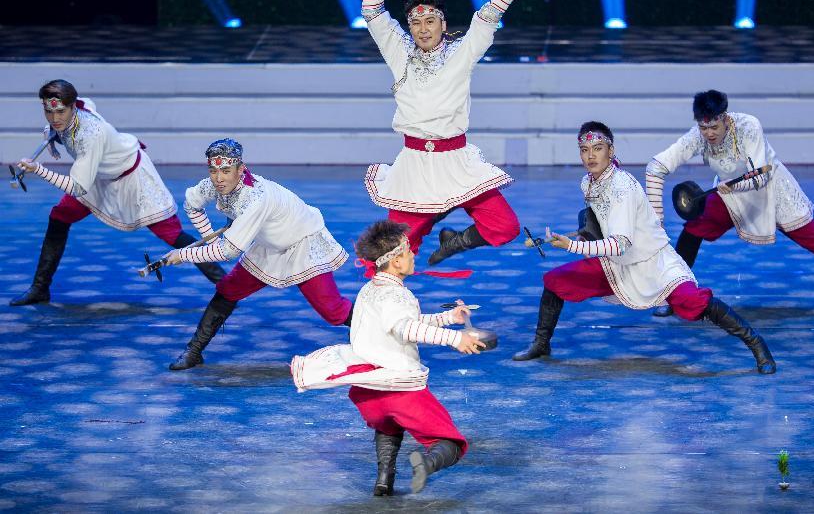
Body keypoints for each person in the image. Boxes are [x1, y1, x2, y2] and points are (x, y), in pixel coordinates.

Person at [512, 121, 776, 375]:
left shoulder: (622, 187)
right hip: (616, 265)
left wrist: (572, 246)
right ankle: (541, 343)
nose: (590, 156)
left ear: (611, 151)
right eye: (584, 150)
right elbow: (602, 226)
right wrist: (585, 237)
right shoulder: (588, 182)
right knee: (555, 281)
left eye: (597, 148)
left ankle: (757, 345)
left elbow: (620, 243)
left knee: (692, 301)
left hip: (652, 262)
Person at [360, 0, 547, 265]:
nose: (423, 28)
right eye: (416, 23)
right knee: (391, 254)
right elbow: (372, 12)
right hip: (415, 167)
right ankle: (379, 310)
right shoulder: (399, 52)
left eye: (430, 21)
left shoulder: (462, 52)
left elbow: (492, 11)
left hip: (457, 163)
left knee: (505, 227)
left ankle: (455, 239)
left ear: (443, 24)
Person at [646, 90, 814, 317]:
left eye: (714, 126)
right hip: (731, 195)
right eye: (703, 127)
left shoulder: (748, 126)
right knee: (692, 231)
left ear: (725, 119)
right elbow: (657, 166)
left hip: (772, 191)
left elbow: (760, 175)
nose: (709, 133)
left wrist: (732, 185)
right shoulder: (697, 136)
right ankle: (675, 295)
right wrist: (657, 216)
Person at [290, 220, 484, 495]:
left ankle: (383, 480)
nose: (413, 255)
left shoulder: (369, 290)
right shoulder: (397, 295)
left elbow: (400, 322)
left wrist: (447, 318)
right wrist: (456, 338)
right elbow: (406, 328)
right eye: (408, 252)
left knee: (389, 426)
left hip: (369, 392)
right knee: (450, 444)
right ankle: (425, 466)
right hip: (399, 391)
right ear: (395, 261)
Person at [11, 79, 223, 306]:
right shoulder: (79, 106)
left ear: (73, 107)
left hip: (132, 179)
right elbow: (84, 106)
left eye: (61, 112)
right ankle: (40, 288)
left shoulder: (91, 135)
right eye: (48, 111)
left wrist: (39, 170)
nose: (55, 119)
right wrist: (52, 135)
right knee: (59, 216)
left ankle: (226, 284)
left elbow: (77, 187)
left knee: (172, 235)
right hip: (99, 177)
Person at [164, 138, 352, 370]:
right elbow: (192, 205)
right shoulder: (212, 185)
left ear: (241, 169)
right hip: (269, 243)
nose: (219, 178)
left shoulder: (256, 198)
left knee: (333, 312)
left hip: (303, 243)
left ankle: (378, 336)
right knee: (228, 289)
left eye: (226, 170)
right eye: (213, 170)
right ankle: (194, 351)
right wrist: (210, 236)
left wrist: (184, 256)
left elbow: (229, 251)